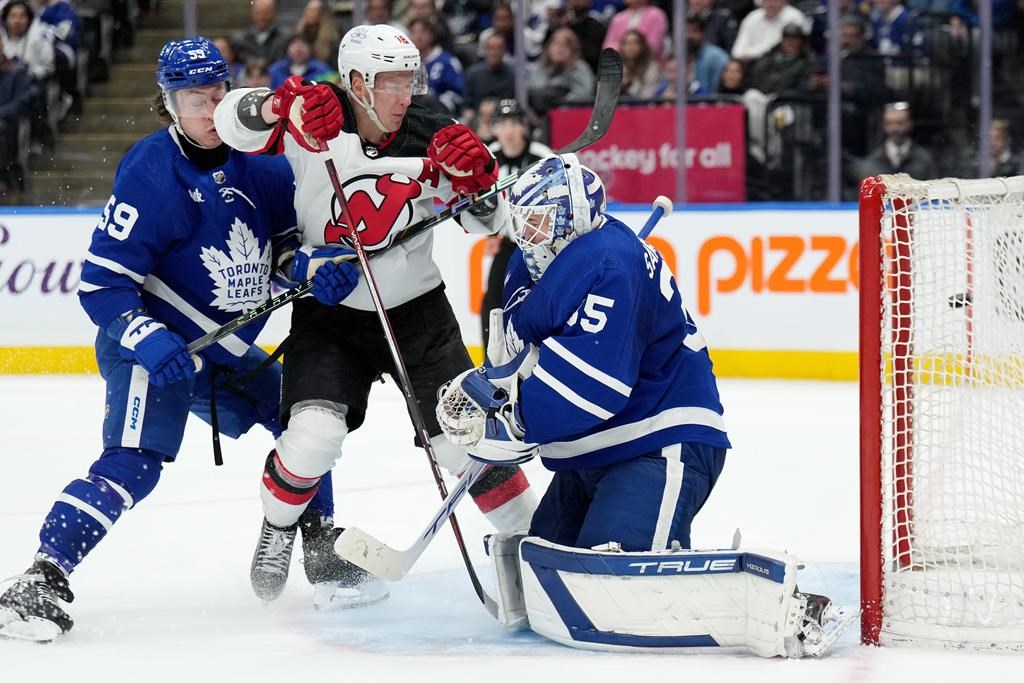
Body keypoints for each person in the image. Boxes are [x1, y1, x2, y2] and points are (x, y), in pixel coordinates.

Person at [0, 37, 362, 642]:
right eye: (195, 97)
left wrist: (315, 270)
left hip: (224, 348)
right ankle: (40, 578)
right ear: (168, 102)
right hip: (157, 345)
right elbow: (102, 285)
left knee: (308, 422)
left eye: (218, 93)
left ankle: (320, 544)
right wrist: (145, 336)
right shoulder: (150, 171)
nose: (210, 107)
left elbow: (282, 253)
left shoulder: (262, 162)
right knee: (133, 465)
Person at [436, 154, 854, 657]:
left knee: (611, 583)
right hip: (591, 456)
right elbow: (521, 344)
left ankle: (785, 607)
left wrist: (515, 420)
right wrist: (495, 391)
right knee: (548, 570)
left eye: (541, 221)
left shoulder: (612, 262)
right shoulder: (540, 260)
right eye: (524, 221)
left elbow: (595, 388)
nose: (529, 234)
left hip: (657, 443)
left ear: (571, 219)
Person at [213, 23, 537, 605]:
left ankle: (534, 541)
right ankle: (278, 527)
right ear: (357, 82)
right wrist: (276, 103)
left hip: (417, 314)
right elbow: (230, 123)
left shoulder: (428, 124)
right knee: (312, 438)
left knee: (465, 440)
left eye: (409, 80)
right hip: (329, 311)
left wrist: (480, 183)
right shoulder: (314, 114)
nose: (403, 94)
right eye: (390, 82)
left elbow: (487, 223)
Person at [479, 98, 552, 346]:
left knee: (546, 298)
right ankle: (491, 357)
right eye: (502, 124)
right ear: (494, 127)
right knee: (493, 301)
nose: (508, 131)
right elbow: (482, 200)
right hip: (510, 243)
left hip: (542, 243)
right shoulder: (489, 157)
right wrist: (492, 234)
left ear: (524, 126)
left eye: (514, 123)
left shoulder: (541, 156)